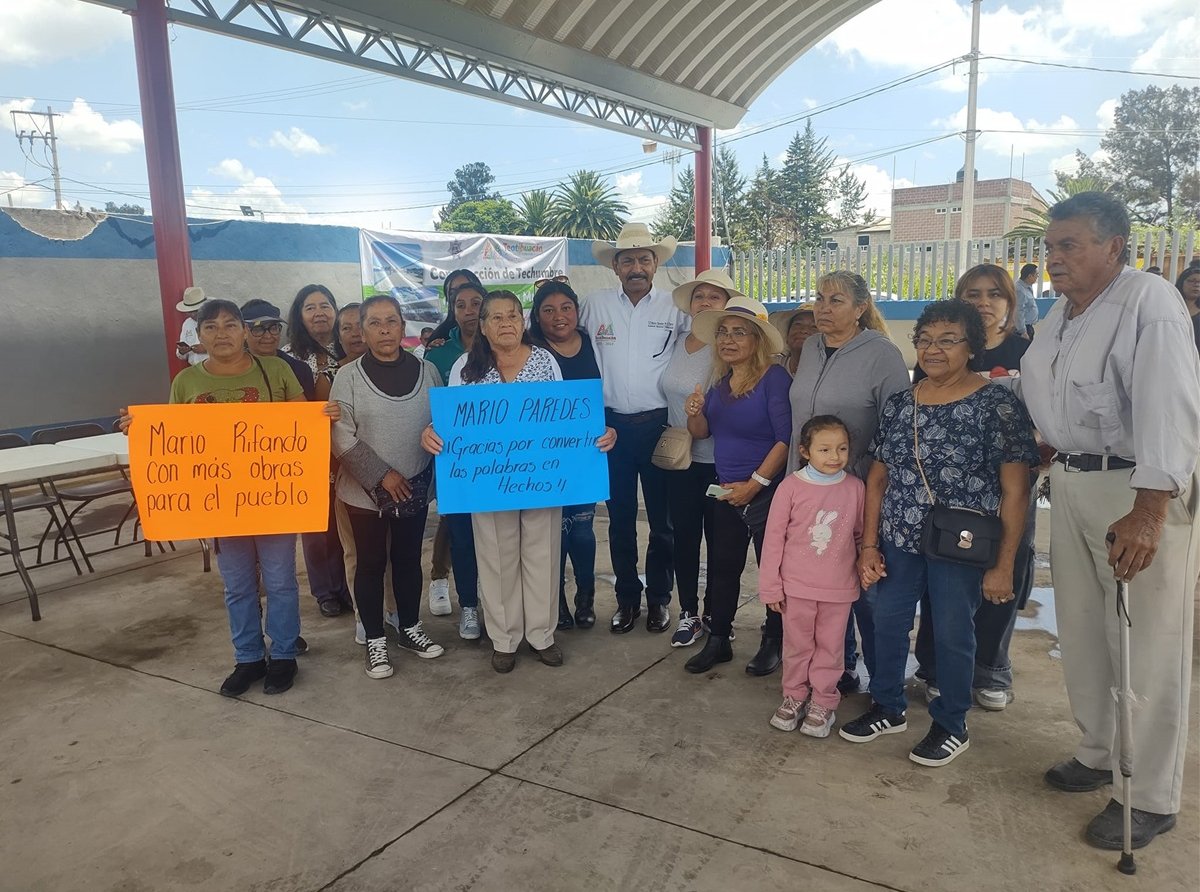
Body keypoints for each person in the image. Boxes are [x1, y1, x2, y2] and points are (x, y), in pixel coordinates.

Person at [1017, 192, 1200, 850]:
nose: (1055, 258)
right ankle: (1098, 753)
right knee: (1087, 633)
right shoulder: (1059, 316)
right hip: (1068, 482)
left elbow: (1170, 405)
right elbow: (1051, 393)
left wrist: (1151, 507)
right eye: (1051, 247)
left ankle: (1149, 795)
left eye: (1070, 245)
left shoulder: (1147, 301)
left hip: (1135, 488)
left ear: (1113, 247)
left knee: (1146, 646)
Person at [841, 300, 1037, 767]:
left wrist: (1004, 564)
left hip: (961, 545)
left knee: (952, 631)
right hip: (899, 536)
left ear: (973, 346)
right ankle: (887, 705)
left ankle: (952, 723)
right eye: (925, 340)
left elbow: (1015, 491)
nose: (933, 349)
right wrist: (869, 543)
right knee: (887, 619)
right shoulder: (901, 403)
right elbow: (877, 479)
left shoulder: (996, 405)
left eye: (948, 340)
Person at [119, 299, 338, 697]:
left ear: (244, 331)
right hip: (221, 503)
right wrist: (139, 430)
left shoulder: (274, 370)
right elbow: (173, 439)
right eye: (211, 327)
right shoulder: (186, 383)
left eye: (230, 325)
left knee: (281, 581)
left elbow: (303, 426)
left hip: (273, 497)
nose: (222, 334)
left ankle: (284, 654)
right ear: (198, 336)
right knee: (237, 585)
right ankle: (248, 658)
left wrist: (326, 416)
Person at [422, 291, 615, 672]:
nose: (506, 323)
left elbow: (566, 418)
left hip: (541, 480)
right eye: (496, 317)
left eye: (513, 315)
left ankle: (541, 635)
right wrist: (431, 430)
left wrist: (597, 432)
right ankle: (504, 639)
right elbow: (451, 422)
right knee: (496, 556)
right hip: (487, 483)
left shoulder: (545, 361)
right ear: (483, 325)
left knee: (543, 553)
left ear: (523, 321)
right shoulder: (464, 368)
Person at [912, 267, 1038, 712]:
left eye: (994, 294)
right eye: (973, 293)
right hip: (948, 497)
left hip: (1010, 490)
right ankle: (932, 666)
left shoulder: (1029, 350)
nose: (984, 302)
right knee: (941, 583)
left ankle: (990, 669)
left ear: (1010, 301)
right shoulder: (937, 349)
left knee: (1002, 576)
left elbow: (1053, 413)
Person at [787, 271, 909, 688]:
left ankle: (883, 686)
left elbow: (897, 429)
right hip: (810, 491)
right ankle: (840, 669)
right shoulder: (810, 348)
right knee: (826, 587)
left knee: (868, 594)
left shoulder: (882, 354)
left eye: (836, 300)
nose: (823, 307)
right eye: (819, 298)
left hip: (859, 494)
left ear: (860, 309)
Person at [331, 295, 447, 679]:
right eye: (375, 322)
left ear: (402, 327)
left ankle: (410, 627)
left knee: (408, 559)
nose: (384, 329)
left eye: (392, 321)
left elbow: (443, 423)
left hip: (414, 484)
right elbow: (340, 434)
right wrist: (382, 475)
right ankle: (376, 639)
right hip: (364, 492)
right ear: (362, 330)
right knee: (370, 563)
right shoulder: (347, 377)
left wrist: (416, 474)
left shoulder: (428, 371)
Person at [581, 223, 687, 635]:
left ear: (656, 264)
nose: (637, 267)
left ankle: (660, 599)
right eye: (628, 260)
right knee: (620, 520)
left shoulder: (675, 308)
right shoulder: (594, 306)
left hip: (660, 426)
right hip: (611, 432)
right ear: (616, 268)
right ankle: (627, 600)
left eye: (644, 259)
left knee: (663, 525)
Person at [682, 296, 792, 673]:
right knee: (722, 568)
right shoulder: (721, 383)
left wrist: (756, 483)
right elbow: (704, 433)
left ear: (757, 340)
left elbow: (785, 438)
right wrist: (694, 414)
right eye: (724, 333)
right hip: (726, 490)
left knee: (771, 571)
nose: (728, 340)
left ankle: (773, 641)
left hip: (768, 493)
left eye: (739, 333)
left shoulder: (774, 378)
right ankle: (719, 640)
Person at [760, 416, 864, 738]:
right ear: (805, 451)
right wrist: (770, 587)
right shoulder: (790, 488)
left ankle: (823, 701)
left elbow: (859, 536)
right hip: (796, 588)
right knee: (797, 646)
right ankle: (793, 695)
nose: (834, 456)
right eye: (824, 449)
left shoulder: (855, 488)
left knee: (830, 648)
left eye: (841, 448)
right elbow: (773, 539)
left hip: (838, 589)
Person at [660, 269, 734, 647]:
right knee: (685, 539)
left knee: (721, 543)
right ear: (690, 304)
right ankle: (689, 612)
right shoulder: (674, 341)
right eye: (699, 296)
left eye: (714, 297)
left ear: (726, 304)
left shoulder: (731, 346)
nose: (706, 302)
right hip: (682, 462)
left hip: (722, 463)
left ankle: (718, 613)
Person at [528, 278, 603, 630]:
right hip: (541, 456)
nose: (559, 316)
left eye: (566, 308)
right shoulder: (530, 350)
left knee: (584, 531)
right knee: (553, 534)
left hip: (587, 452)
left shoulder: (593, 343)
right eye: (548, 310)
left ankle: (585, 598)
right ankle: (555, 602)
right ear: (537, 316)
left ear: (577, 311)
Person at [425, 269, 485, 623]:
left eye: (476, 302)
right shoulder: (438, 354)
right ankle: (466, 603)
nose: (468, 310)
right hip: (456, 459)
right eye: (459, 303)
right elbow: (428, 408)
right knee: (458, 530)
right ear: (452, 308)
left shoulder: (509, 350)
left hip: (500, 462)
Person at [284, 284, 341, 402]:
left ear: (335, 311)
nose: (319, 313)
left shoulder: (349, 348)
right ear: (299, 316)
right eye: (310, 308)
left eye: (325, 306)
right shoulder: (287, 355)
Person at [778, 305, 817, 376]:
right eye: (798, 324)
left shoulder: (831, 373)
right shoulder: (769, 366)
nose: (804, 330)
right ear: (787, 336)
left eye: (814, 326)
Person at [175, 286, 208, 366]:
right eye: (190, 311)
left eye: (196, 310)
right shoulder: (187, 323)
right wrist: (182, 351)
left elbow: (231, 347)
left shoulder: (216, 322)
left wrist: (207, 349)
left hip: (214, 368)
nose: (193, 314)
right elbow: (182, 356)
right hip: (194, 369)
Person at [1175, 261, 1200, 353]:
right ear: (1182, 283)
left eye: (1199, 282)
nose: (1196, 284)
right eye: (1192, 281)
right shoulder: (1171, 306)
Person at [1016, 263, 1040, 338]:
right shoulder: (1019, 290)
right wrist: (1023, 331)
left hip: (1028, 326)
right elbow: (1018, 311)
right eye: (1036, 274)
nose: (1037, 277)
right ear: (1030, 276)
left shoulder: (1027, 287)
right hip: (1024, 329)